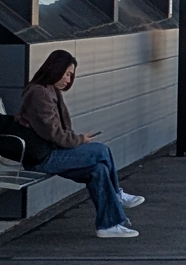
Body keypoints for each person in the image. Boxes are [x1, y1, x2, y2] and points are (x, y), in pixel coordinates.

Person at [16, 49, 146, 239]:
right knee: (101, 150)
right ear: (56, 69)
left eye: (72, 75)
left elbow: (57, 132)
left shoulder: (51, 90)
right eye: (67, 73)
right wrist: (80, 140)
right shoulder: (39, 94)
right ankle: (116, 195)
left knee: (98, 170)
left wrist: (76, 140)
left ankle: (108, 225)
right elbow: (54, 133)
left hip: (53, 153)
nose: (69, 79)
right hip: (43, 157)